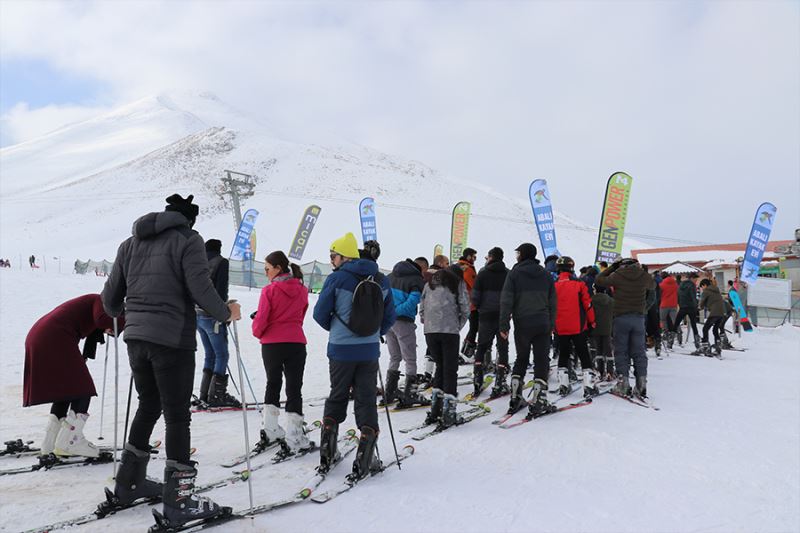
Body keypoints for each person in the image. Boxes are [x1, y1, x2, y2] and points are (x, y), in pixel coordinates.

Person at [102, 194, 242, 527]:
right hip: (172, 339)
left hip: (136, 337)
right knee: (177, 415)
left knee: (148, 404)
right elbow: (201, 289)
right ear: (188, 220)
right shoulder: (188, 240)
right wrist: (227, 312)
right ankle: (179, 501)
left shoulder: (129, 243)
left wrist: (135, 313)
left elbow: (109, 301)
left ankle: (128, 482)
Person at [313, 233, 396, 480]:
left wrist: (339, 331)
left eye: (333, 256)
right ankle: (366, 458)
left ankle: (328, 453)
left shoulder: (336, 279)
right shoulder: (381, 280)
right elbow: (389, 316)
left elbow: (320, 314)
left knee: (337, 394)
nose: (331, 261)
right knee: (366, 398)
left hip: (340, 350)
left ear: (345, 256)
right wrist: (372, 333)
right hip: (369, 350)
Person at [23, 294, 121, 458]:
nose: (109, 332)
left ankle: (51, 441)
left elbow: (99, 321)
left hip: (40, 335)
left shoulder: (90, 303)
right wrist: (117, 322)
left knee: (67, 388)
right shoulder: (100, 299)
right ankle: (70, 442)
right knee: (83, 388)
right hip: (55, 337)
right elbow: (101, 320)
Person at [251, 251, 311, 455]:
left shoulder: (269, 291)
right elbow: (301, 315)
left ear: (277, 268)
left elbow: (262, 319)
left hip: (272, 344)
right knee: (294, 387)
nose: (266, 273)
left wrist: (258, 331)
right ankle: (294, 435)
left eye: (267, 268)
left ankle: (271, 429)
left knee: (273, 382)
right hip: (295, 341)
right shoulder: (302, 290)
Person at [499, 243, 557, 418]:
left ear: (523, 255)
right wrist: (551, 324)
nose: (516, 256)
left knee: (521, 358)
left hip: (522, 323)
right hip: (542, 323)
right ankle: (539, 400)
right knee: (541, 360)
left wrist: (504, 325)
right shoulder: (545, 274)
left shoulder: (514, 274)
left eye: (518, 253)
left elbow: (506, 300)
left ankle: (516, 397)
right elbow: (553, 301)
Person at [596, 257, 655, 398]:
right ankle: (641, 384)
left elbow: (599, 280)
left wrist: (612, 267)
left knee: (621, 351)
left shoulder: (617, 275)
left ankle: (624, 383)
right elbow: (653, 286)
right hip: (639, 319)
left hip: (621, 318)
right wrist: (644, 307)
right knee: (639, 352)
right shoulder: (643, 276)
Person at [420, 264, 470, 427]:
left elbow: (422, 308)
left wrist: (428, 322)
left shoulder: (429, 284)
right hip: (449, 331)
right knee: (450, 369)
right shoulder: (457, 284)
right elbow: (465, 308)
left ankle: (435, 409)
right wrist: (457, 325)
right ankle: (449, 412)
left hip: (430, 331)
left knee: (440, 367)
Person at [195, 239, 240, 409]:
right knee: (222, 355)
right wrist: (224, 313)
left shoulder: (198, 262)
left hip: (197, 315)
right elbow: (221, 291)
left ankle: (205, 394)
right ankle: (217, 395)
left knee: (210, 354)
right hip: (212, 316)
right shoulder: (221, 262)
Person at [383, 257, 428, 408]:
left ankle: (389, 391)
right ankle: (410, 393)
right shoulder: (416, 279)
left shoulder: (390, 276)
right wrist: (397, 312)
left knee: (394, 356)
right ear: (421, 268)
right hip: (403, 321)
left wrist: (389, 314)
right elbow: (413, 301)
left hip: (387, 321)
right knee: (410, 358)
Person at [553, 256, 598, 398]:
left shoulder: (553, 284)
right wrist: (593, 321)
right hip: (578, 326)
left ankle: (563, 385)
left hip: (560, 326)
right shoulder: (579, 283)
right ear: (572, 268)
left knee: (564, 353)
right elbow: (588, 304)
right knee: (583, 353)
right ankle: (589, 386)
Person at [470, 246, 510, 398]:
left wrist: (480, 308)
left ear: (491, 257)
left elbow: (475, 296)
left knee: (482, 346)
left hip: (485, 315)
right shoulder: (508, 273)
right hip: (502, 316)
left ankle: (477, 378)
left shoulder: (483, 273)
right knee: (503, 347)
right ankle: (500, 381)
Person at [419, 254, 450, 386]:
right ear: (441, 263)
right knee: (439, 347)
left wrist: (422, 314)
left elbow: (423, 297)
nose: (448, 266)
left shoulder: (425, 275)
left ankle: (427, 373)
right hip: (439, 316)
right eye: (447, 263)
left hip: (428, 316)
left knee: (430, 345)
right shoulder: (441, 277)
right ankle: (437, 376)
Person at [457, 248, 479, 361]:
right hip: (471, 302)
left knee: (473, 326)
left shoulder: (459, 266)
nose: (475, 259)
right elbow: (474, 285)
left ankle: (466, 352)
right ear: (469, 256)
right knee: (475, 326)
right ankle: (467, 353)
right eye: (474, 257)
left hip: (464, 301)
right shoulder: (467, 269)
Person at [671, 273, 701, 349]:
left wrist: (680, 304)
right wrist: (696, 306)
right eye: (695, 279)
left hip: (682, 307)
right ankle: (697, 344)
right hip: (691, 307)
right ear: (691, 278)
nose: (696, 281)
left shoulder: (681, 285)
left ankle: (670, 341)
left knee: (676, 323)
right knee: (694, 325)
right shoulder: (692, 285)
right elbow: (693, 296)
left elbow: (678, 295)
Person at [591, 285, 615, 379]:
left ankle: (600, 371)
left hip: (595, 327)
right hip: (607, 327)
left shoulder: (591, 300)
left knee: (599, 350)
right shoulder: (611, 301)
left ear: (596, 290)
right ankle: (610, 371)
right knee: (608, 349)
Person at [697, 279, 725, 356]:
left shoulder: (706, 291)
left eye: (702, 287)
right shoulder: (716, 289)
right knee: (715, 330)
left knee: (705, 329)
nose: (702, 289)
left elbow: (701, 302)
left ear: (705, 285)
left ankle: (705, 347)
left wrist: (699, 308)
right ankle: (718, 347)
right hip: (721, 313)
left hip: (714, 313)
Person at [642, 265, 662, 357]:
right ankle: (657, 345)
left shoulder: (640, 281)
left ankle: (643, 346)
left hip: (645, 307)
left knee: (643, 327)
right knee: (655, 326)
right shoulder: (652, 281)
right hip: (654, 306)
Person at [659, 272, 679, 348]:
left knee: (663, 320)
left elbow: (659, 294)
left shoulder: (661, 285)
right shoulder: (675, 284)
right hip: (673, 304)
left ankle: (665, 333)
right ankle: (678, 331)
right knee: (675, 320)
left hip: (664, 305)